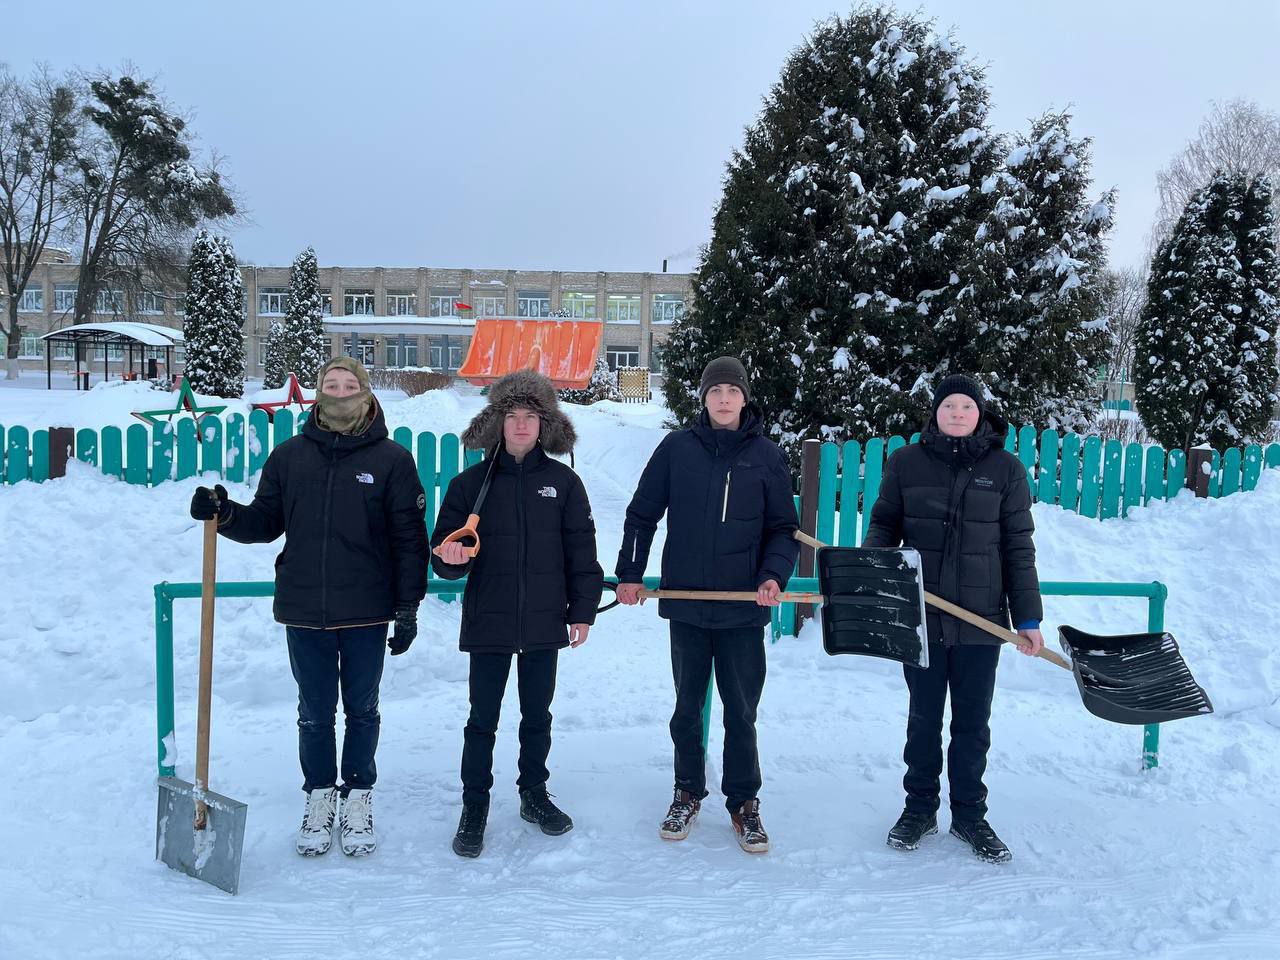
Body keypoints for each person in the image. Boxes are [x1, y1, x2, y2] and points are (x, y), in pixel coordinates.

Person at [188, 357, 427, 858]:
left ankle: (358, 794)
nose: (339, 393)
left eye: (349, 385)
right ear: (318, 394)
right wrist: (225, 514)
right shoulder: (290, 456)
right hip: (304, 608)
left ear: (365, 393)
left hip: (365, 610)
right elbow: (265, 522)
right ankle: (320, 794)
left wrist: (408, 607)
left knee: (362, 710)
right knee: (314, 713)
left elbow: (409, 540)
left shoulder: (391, 460)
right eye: (330, 385)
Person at [615, 356, 799, 854]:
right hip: (688, 605)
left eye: (732, 391)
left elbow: (785, 529)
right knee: (686, 709)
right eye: (715, 390)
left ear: (744, 398)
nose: (723, 399)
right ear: (704, 397)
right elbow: (641, 515)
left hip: (742, 608)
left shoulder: (765, 456)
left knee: (741, 711)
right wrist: (630, 573)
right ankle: (686, 792)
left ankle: (744, 803)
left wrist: (772, 575)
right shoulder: (678, 449)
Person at [862, 373, 1044, 864]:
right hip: (920, 617)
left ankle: (969, 814)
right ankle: (919, 808)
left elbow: (1017, 547)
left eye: (966, 405)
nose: (957, 413)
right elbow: (883, 523)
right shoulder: (906, 462)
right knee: (923, 720)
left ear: (979, 412)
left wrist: (1026, 616)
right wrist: (876, 570)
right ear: (936, 412)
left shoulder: (1005, 469)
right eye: (949, 406)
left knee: (972, 724)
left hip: (982, 622)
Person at [432, 370, 603, 859]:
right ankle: (475, 805)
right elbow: (443, 550)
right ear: (498, 423)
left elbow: (582, 552)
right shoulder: (471, 485)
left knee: (537, 716)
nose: (522, 425)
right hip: (490, 618)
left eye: (531, 416)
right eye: (513, 416)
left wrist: (583, 611)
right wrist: (449, 557)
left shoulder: (564, 483)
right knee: (482, 718)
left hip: (546, 621)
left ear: (544, 425)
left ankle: (533, 794)